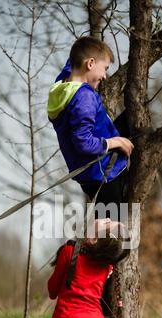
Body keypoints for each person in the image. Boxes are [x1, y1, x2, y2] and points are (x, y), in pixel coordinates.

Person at [47, 36, 134, 216]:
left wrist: (86, 45)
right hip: (102, 172)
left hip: (91, 172)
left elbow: (74, 60)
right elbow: (83, 142)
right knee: (113, 227)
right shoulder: (83, 97)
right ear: (90, 63)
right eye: (105, 68)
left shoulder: (61, 85)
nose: (104, 76)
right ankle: (89, 239)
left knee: (134, 118)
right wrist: (115, 142)